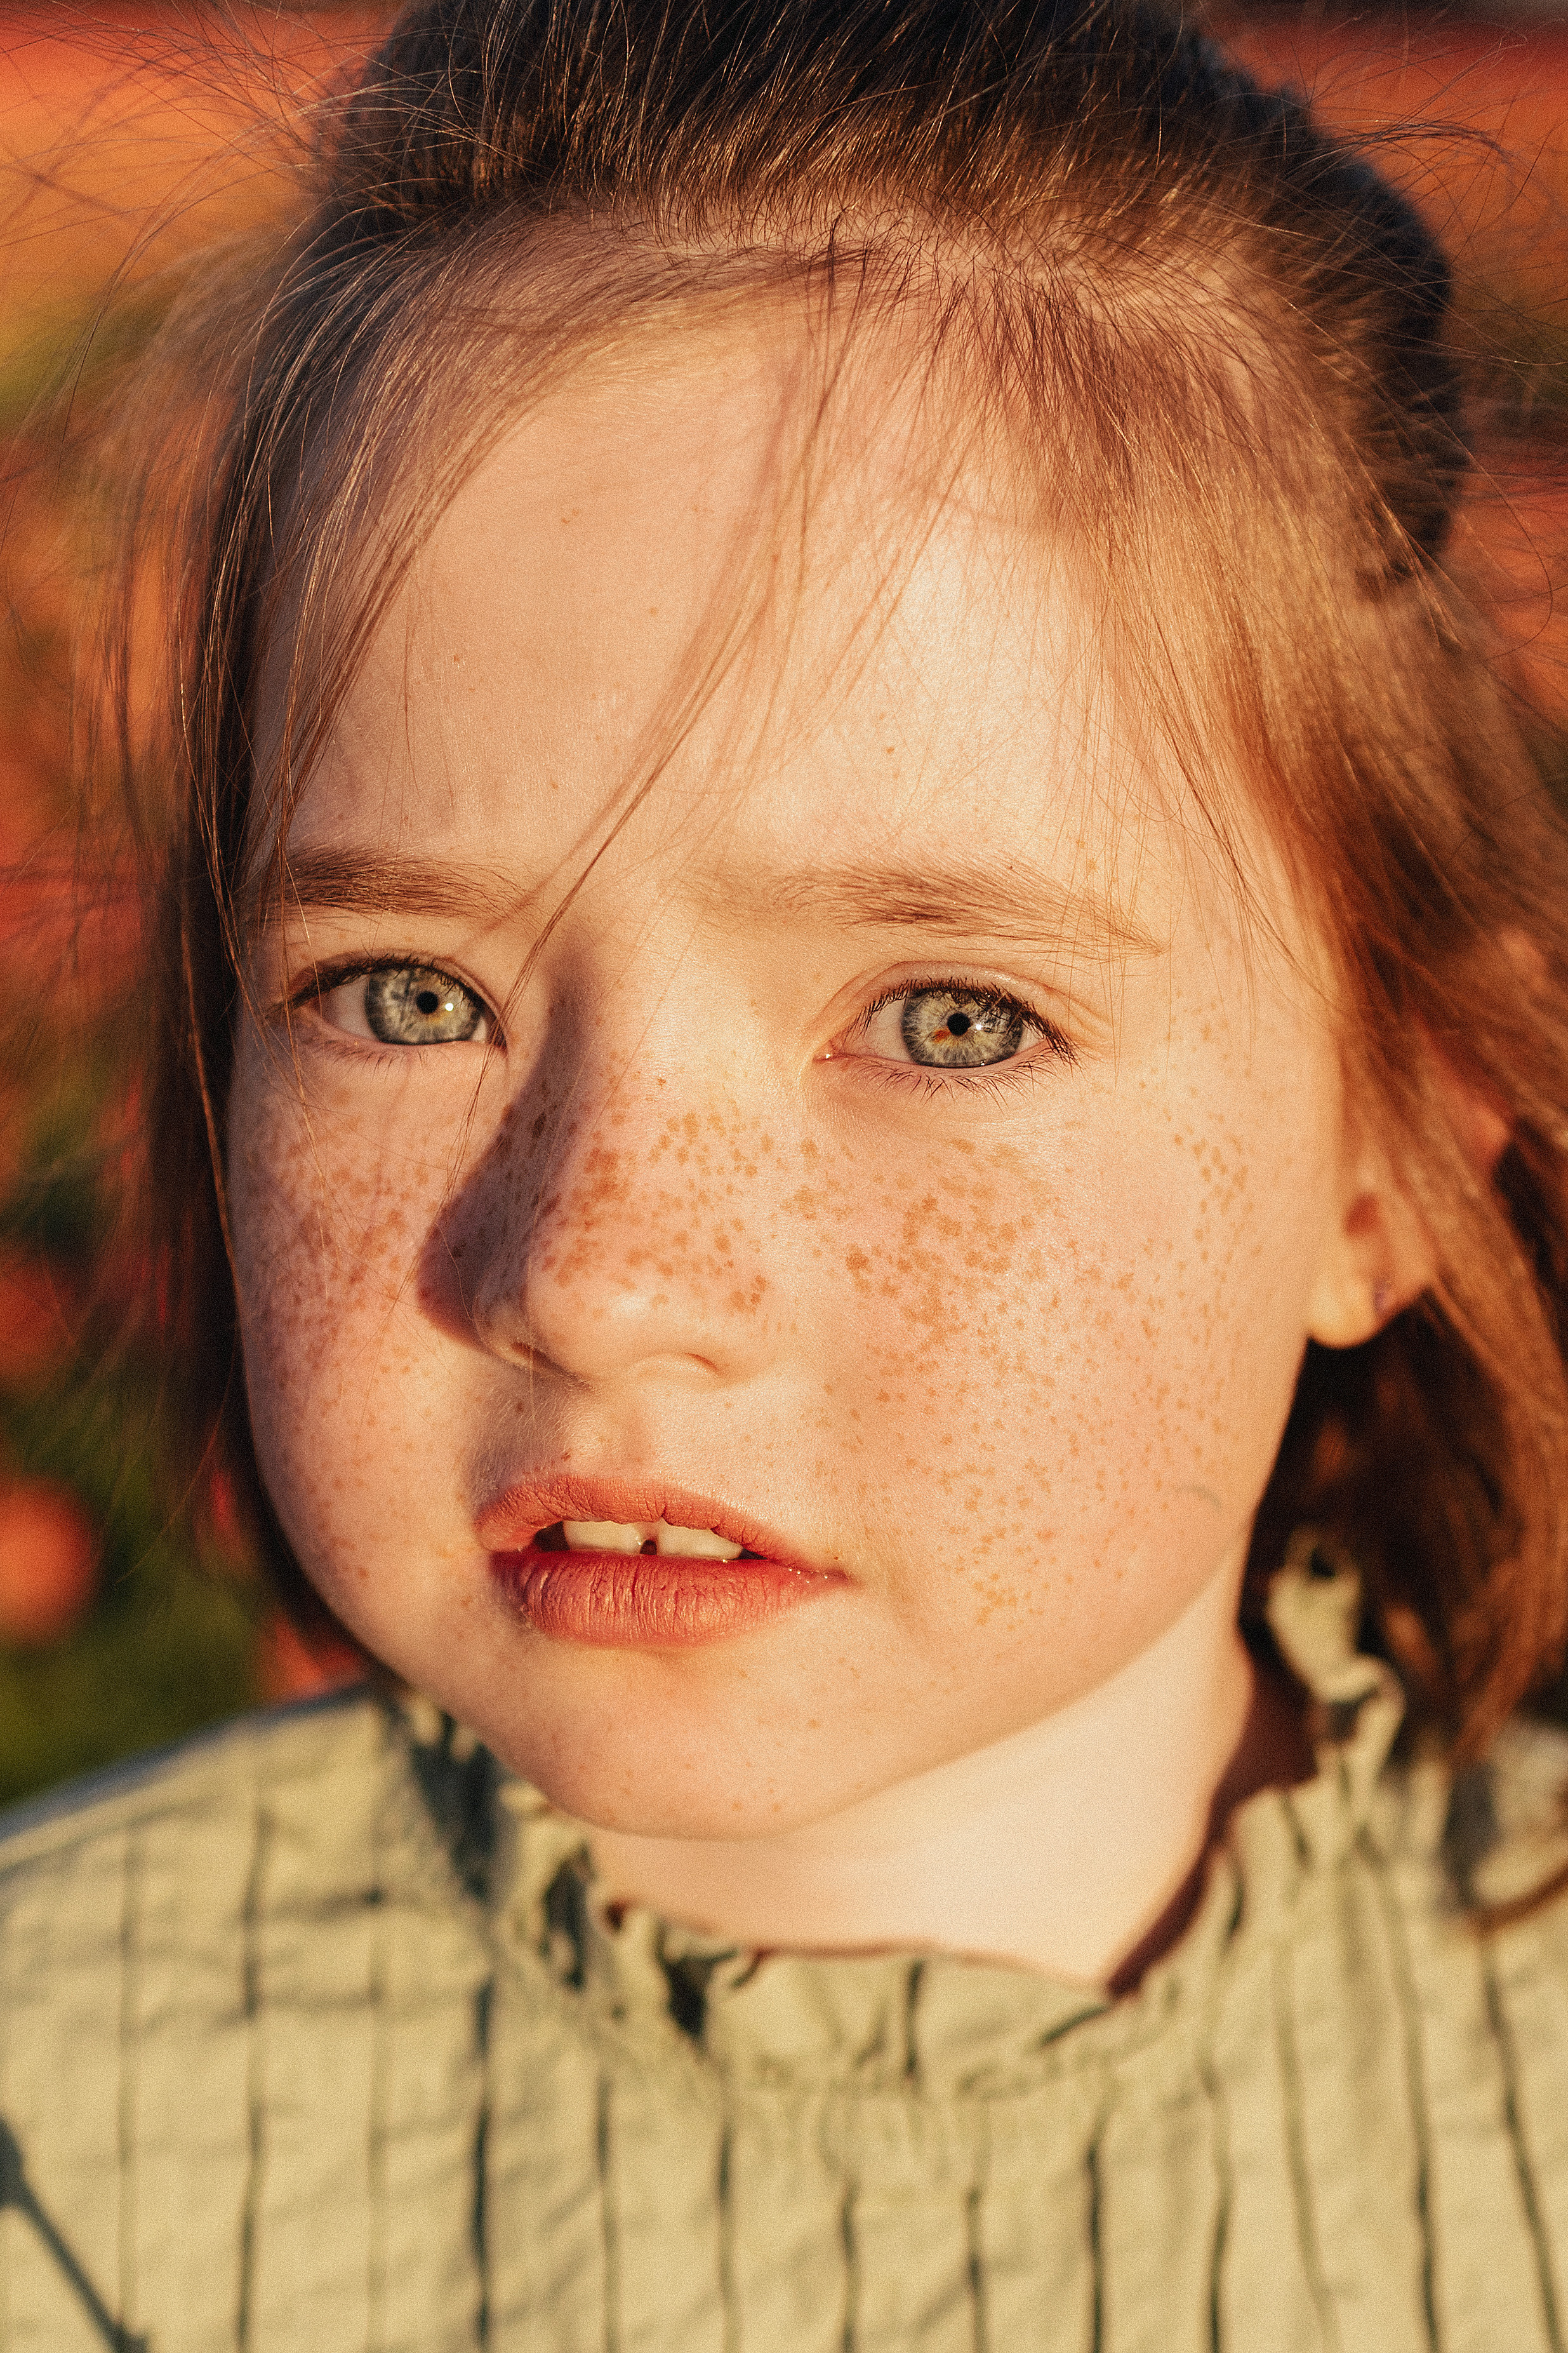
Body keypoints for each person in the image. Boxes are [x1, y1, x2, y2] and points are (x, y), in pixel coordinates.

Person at [4, 0, 1568, 2342]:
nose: (607, 1272)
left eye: (952, 1019)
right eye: (411, 993)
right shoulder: (59, 2139)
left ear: (1392, 1160)